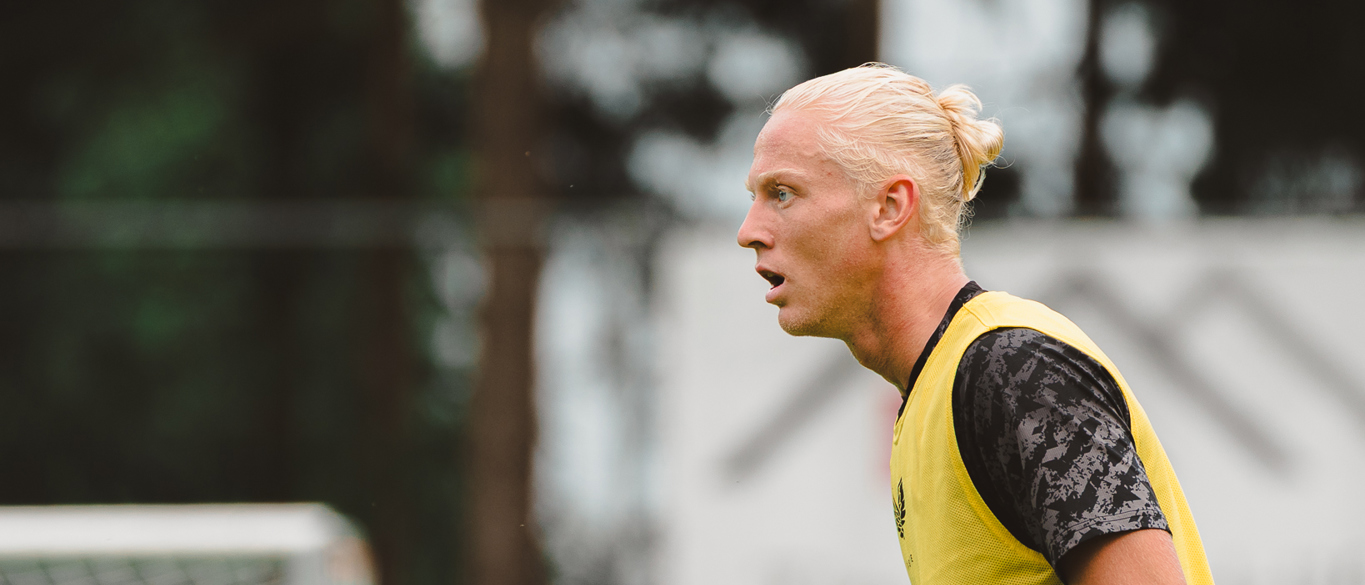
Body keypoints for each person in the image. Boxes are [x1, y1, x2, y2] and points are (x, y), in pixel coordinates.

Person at [736, 63, 1214, 585]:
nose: (749, 231)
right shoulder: (936, 392)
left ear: (890, 206)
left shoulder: (1015, 372)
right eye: (754, 196)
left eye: (782, 193)